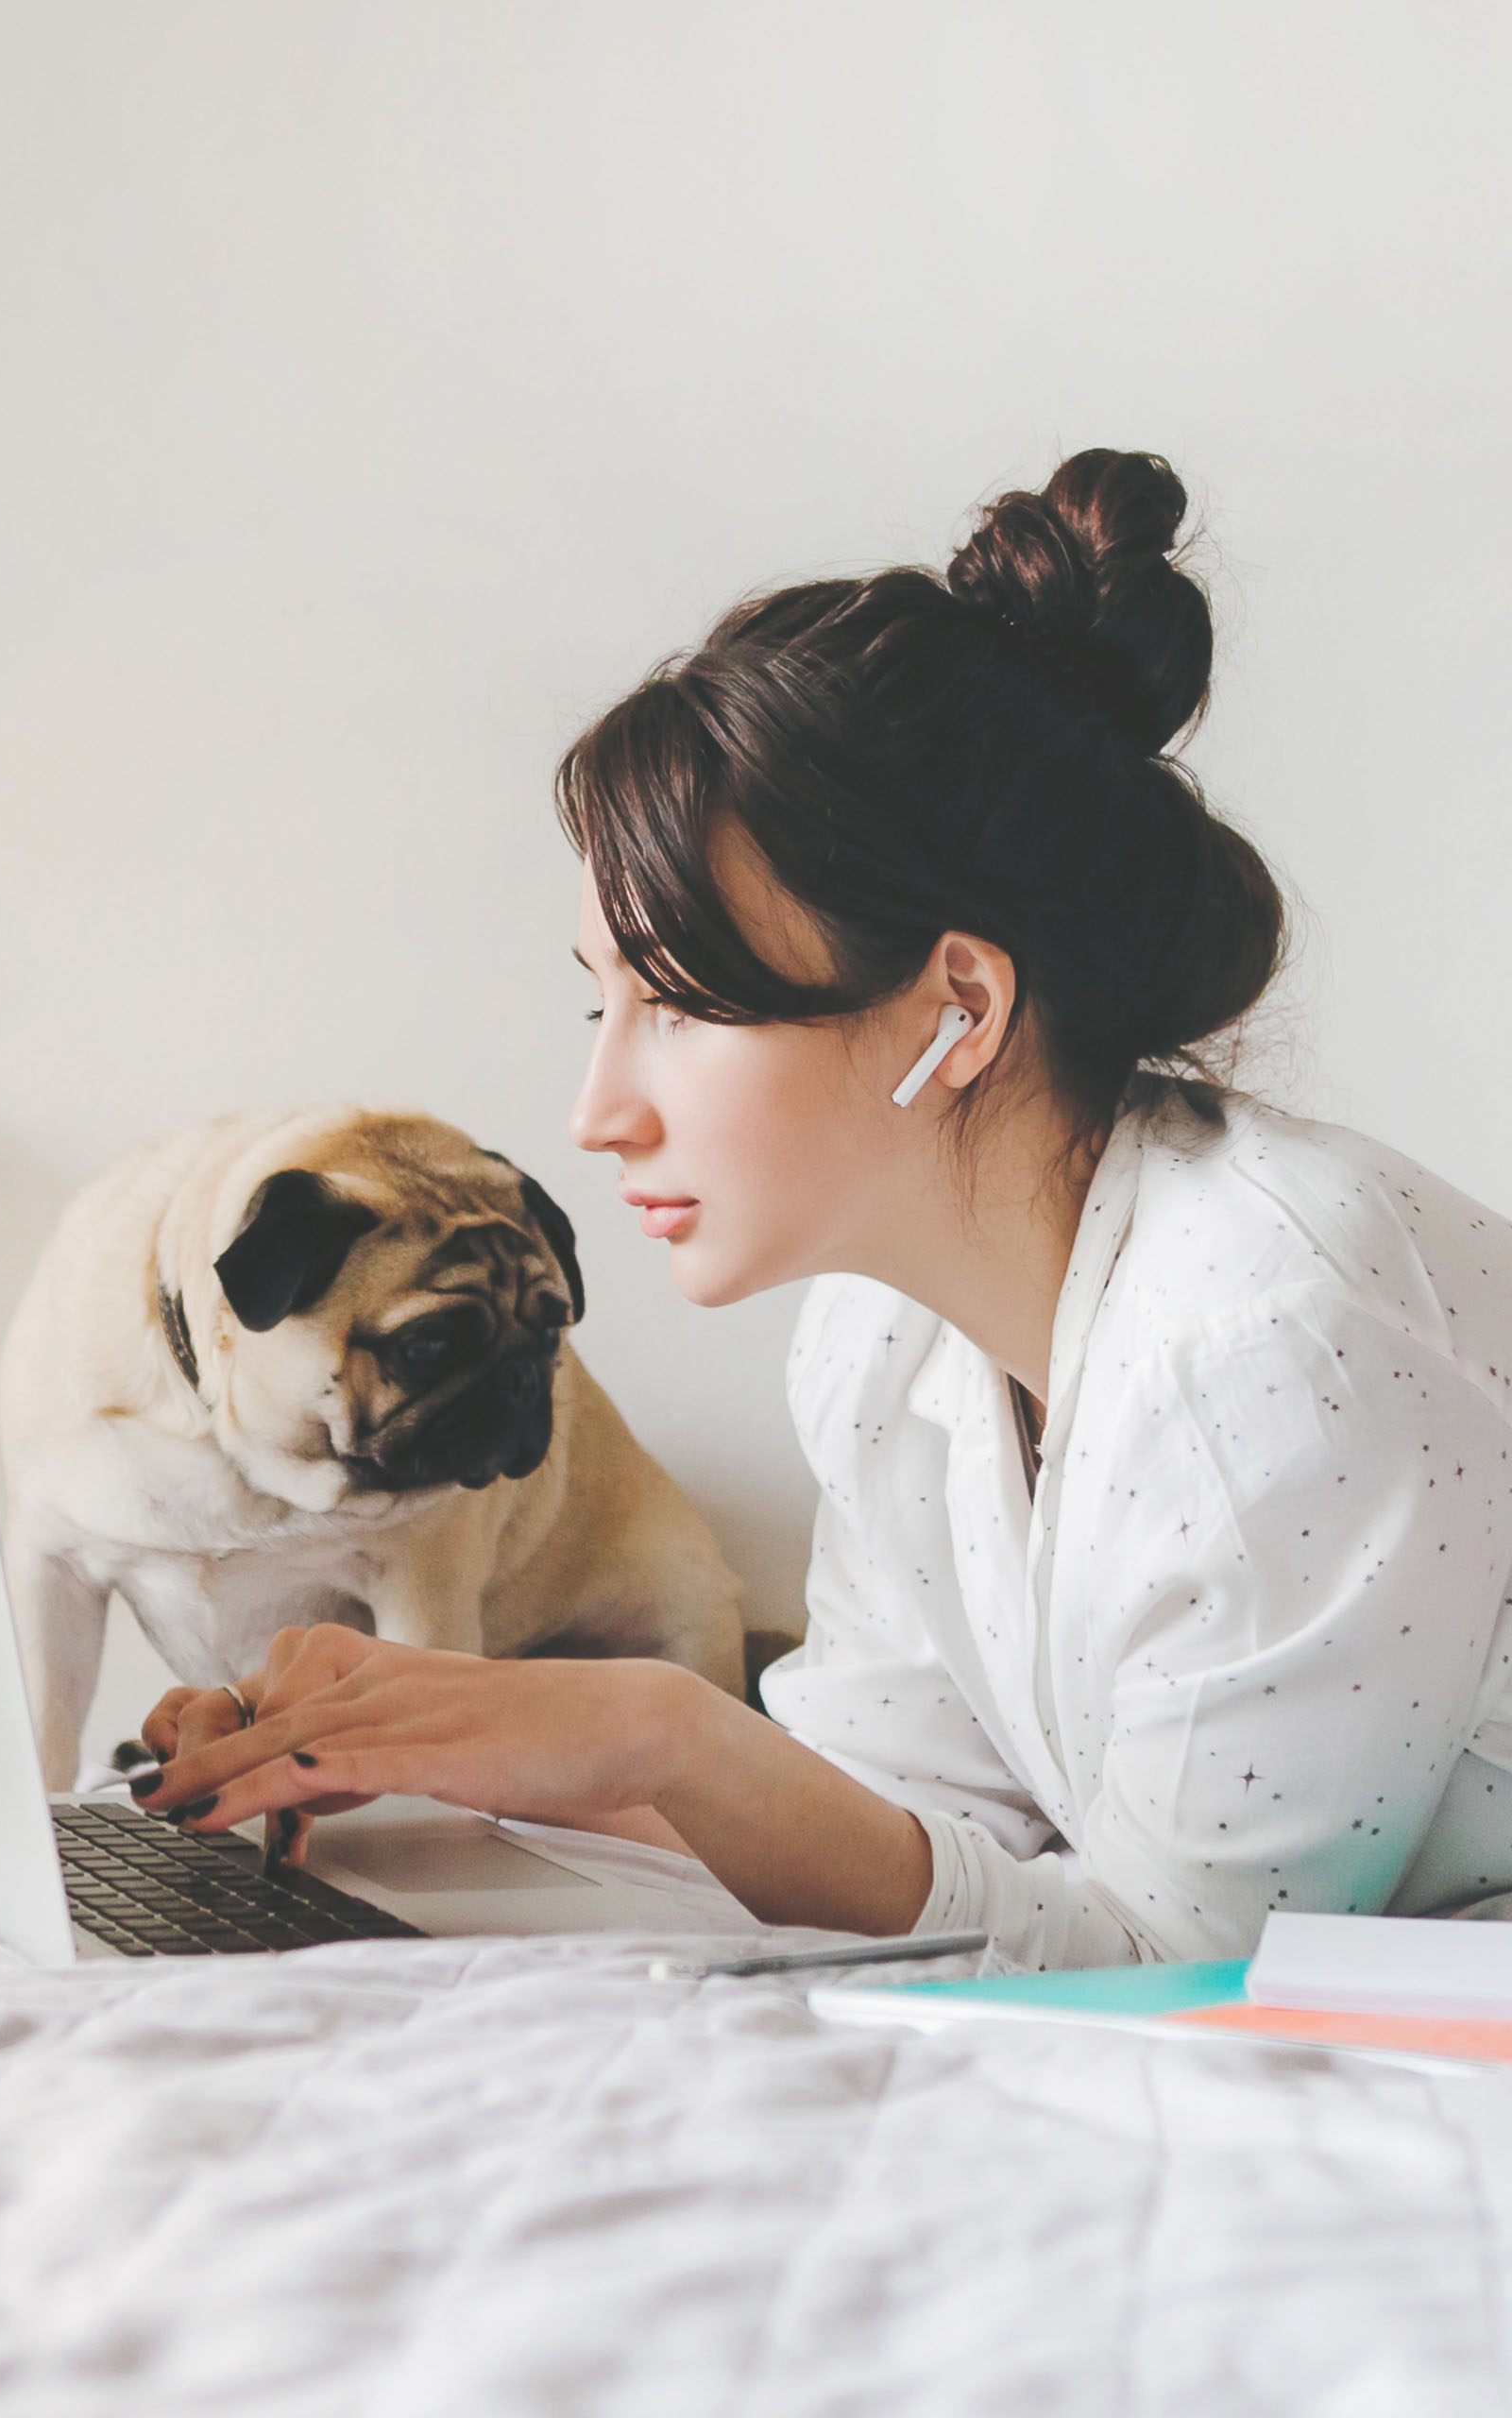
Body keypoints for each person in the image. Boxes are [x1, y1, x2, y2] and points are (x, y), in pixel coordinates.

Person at [132, 450, 1512, 1967]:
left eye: (679, 1005)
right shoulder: (879, 1338)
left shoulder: (1271, 1341)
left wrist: (671, 1732)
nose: (599, 1114)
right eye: (602, 1004)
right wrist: (420, 1759)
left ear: (958, 1008)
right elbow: (895, 1835)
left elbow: (1184, 1976)